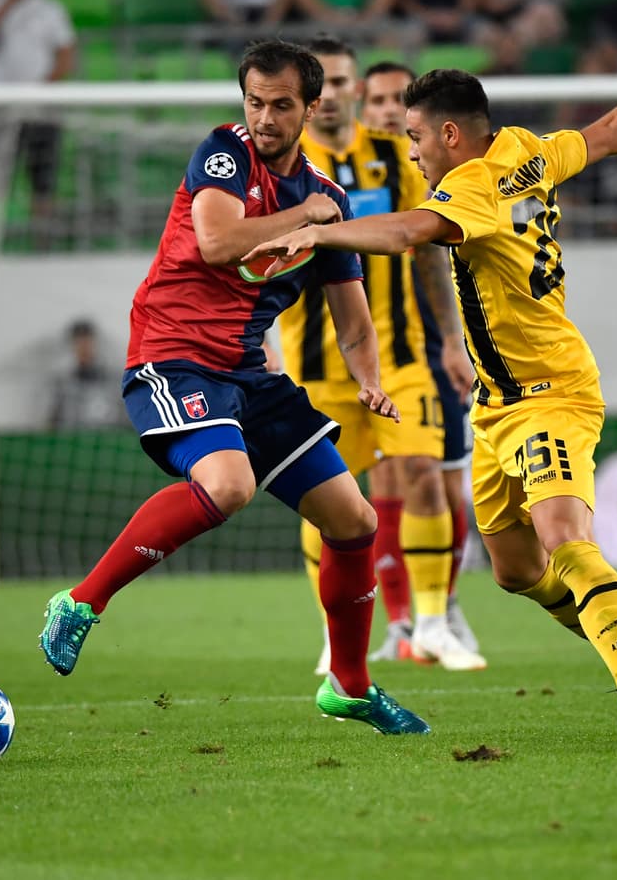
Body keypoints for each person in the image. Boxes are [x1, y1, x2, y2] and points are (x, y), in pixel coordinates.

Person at [244, 45, 617, 747]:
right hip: (498, 404)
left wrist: (318, 231)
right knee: (518, 569)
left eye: (418, 139)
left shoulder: (472, 186)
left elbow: (406, 231)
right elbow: (611, 132)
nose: (416, 155)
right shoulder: (526, 148)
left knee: (564, 539)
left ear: (451, 135)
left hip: (550, 392)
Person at [38, 39, 429, 735]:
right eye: (256, 102)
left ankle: (350, 685)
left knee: (355, 521)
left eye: (283, 105)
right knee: (228, 485)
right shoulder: (223, 152)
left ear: (311, 107)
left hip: (250, 373)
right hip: (172, 356)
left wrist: (368, 381)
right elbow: (219, 242)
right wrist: (305, 219)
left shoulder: (331, 201)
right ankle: (81, 602)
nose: (267, 117)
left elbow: (354, 323)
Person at [280, 38, 483, 674]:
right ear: (311, 99)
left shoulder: (399, 157)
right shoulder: (280, 166)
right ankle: (330, 631)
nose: (336, 95)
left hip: (401, 352)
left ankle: (431, 624)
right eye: (328, 85)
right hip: (313, 363)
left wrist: (451, 340)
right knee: (323, 499)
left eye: (345, 82)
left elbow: (428, 250)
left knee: (423, 471)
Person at [360, 58, 483, 659]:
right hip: (363, 356)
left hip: (431, 352)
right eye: (376, 99)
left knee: (438, 481)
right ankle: (401, 622)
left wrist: (453, 342)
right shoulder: (337, 172)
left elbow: (433, 256)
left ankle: (445, 606)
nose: (385, 110)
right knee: (382, 482)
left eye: (395, 101)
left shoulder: (438, 180)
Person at [0, 0, 76, 247]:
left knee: (43, 178)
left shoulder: (51, 9)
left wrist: (41, 89)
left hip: (41, 108)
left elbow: (66, 55)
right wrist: (8, 5)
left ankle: (42, 244)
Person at [47, 318, 127, 430]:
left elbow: (123, 413)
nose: (83, 347)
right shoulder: (63, 382)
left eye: (87, 341)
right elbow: (54, 418)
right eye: (78, 342)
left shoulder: (112, 379)